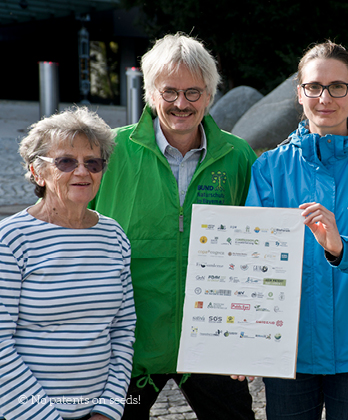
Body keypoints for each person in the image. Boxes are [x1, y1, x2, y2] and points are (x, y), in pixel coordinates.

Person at [89, 33, 257, 419]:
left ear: (210, 95)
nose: (181, 103)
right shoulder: (108, 153)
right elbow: (62, 224)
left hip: (214, 345)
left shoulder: (239, 156)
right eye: (170, 91)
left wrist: (254, 338)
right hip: (127, 352)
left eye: (194, 92)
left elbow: (260, 245)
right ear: (150, 93)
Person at [244, 40, 348, 420]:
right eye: (314, 87)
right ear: (299, 93)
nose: (326, 97)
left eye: (338, 86)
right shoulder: (270, 168)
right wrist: (245, 340)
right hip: (290, 349)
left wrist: (342, 248)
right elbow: (252, 261)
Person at [0, 107, 136, 420]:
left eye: (93, 162)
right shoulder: (11, 239)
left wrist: (108, 410)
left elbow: (123, 330)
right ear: (37, 171)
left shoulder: (114, 235)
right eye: (65, 162)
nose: (82, 172)